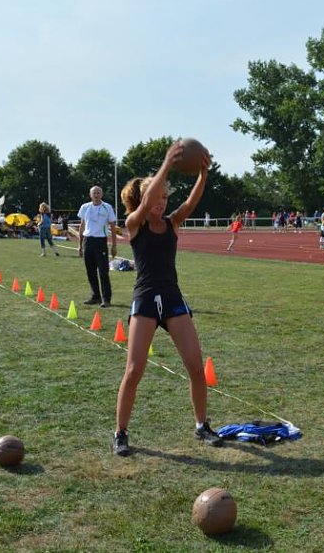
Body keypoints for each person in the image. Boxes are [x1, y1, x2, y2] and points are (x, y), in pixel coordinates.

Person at [112, 141, 222, 457]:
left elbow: (191, 201)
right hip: (145, 300)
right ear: (145, 200)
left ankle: (202, 426)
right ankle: (120, 433)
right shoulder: (134, 225)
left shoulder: (172, 223)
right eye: (155, 198)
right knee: (134, 369)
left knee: (195, 368)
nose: (160, 203)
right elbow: (146, 201)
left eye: (164, 198)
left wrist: (203, 173)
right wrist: (166, 164)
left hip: (172, 299)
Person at [77, 186, 118, 307]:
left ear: (102, 194)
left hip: (101, 242)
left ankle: (107, 299)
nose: (96, 194)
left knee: (103, 271)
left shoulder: (107, 207)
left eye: (98, 192)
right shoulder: (85, 207)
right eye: (94, 193)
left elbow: (113, 227)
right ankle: (96, 296)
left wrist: (114, 245)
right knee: (90, 271)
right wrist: (80, 245)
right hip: (88, 241)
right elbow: (82, 226)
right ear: (90, 195)